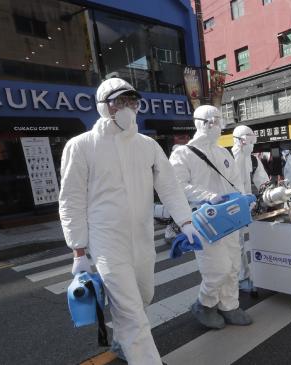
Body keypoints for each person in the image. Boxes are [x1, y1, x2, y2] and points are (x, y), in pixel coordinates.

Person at [59, 78, 200, 364]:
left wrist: (186, 223)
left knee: (143, 297)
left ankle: (124, 341)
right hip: (107, 242)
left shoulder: (147, 145)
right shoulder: (82, 146)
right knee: (131, 310)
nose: (127, 108)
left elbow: (169, 187)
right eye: (119, 102)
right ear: (103, 106)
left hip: (142, 238)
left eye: (131, 101)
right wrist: (78, 249)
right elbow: (70, 199)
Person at [169, 105, 252, 329]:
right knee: (217, 268)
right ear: (199, 123)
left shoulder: (223, 152)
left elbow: (237, 181)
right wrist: (209, 197)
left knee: (234, 264)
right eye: (211, 121)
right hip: (205, 219)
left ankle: (230, 306)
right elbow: (176, 185)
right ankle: (204, 304)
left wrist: (244, 202)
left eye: (218, 121)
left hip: (231, 216)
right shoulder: (182, 153)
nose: (216, 126)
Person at [231, 125, 270, 292]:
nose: (252, 144)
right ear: (239, 141)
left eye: (254, 140)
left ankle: (243, 276)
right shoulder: (226, 158)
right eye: (249, 140)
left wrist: (271, 193)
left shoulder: (253, 160)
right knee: (235, 245)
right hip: (230, 208)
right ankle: (239, 278)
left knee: (241, 244)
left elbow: (262, 181)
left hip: (246, 207)